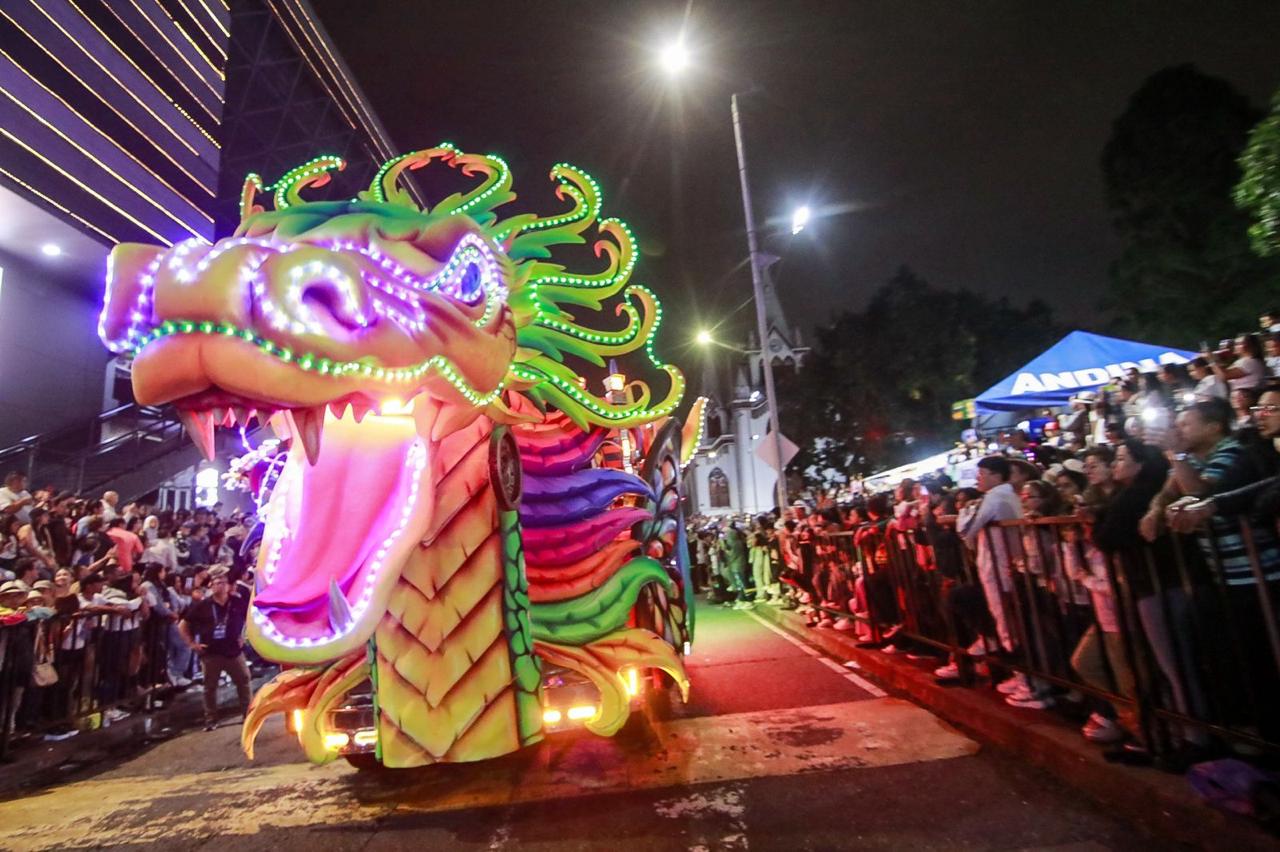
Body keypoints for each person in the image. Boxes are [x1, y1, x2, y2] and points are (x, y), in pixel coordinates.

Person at [957, 456, 1024, 692]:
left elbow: (966, 530)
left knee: (1007, 624)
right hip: (1005, 566)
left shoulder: (996, 497)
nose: (978, 478)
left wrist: (965, 511)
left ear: (996, 475)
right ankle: (1023, 676)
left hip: (999, 568)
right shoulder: (1008, 496)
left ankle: (1026, 680)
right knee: (1010, 621)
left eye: (982, 473)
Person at [179, 566, 252, 730]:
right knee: (209, 687)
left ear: (228, 585)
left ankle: (248, 714)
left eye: (223, 583)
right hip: (211, 652)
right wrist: (192, 644)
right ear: (211, 586)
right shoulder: (203, 605)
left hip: (233, 650)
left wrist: (244, 636)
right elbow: (183, 624)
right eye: (216, 583)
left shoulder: (237, 602)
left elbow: (250, 617)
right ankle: (211, 719)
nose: (220, 586)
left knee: (244, 681)